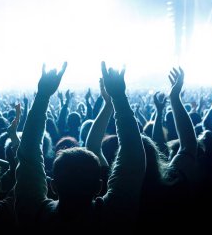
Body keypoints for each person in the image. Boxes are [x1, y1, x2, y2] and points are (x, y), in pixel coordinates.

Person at [14, 62, 146, 231]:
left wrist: (42, 96)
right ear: (99, 187)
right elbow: (134, 158)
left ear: (53, 187)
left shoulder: (34, 215)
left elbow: (28, 155)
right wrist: (119, 97)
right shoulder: (114, 216)